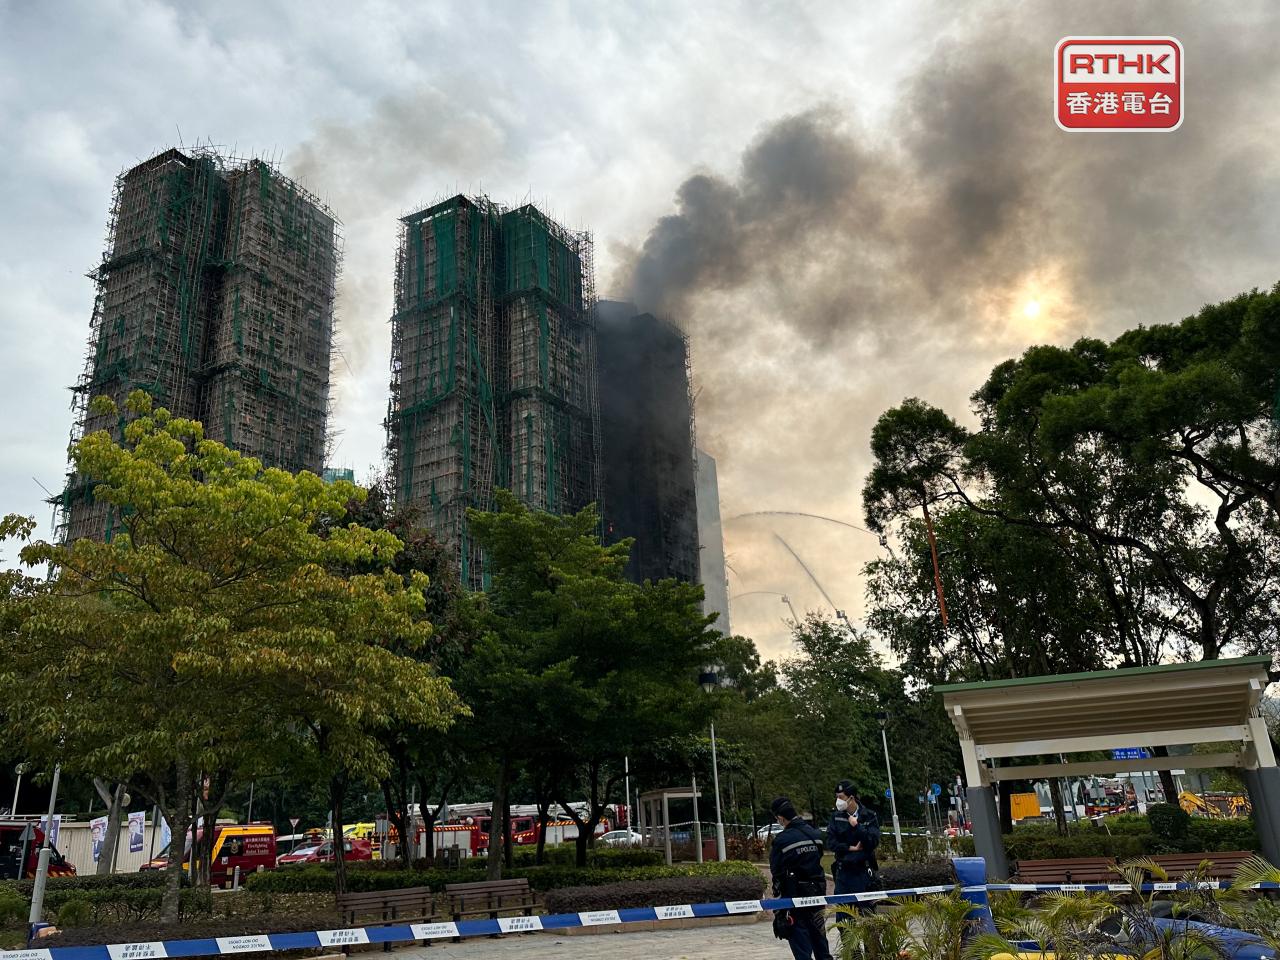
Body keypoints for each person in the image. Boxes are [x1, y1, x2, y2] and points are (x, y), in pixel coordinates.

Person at [769, 796, 833, 960]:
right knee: (820, 941)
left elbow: (776, 871)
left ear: (781, 818)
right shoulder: (815, 834)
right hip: (817, 893)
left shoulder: (782, 841)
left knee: (801, 949)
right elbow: (818, 857)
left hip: (794, 898)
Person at [826, 780, 880, 899]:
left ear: (851, 798)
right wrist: (850, 848)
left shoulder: (869, 816)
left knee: (865, 913)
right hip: (843, 873)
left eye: (841, 797)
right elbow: (831, 842)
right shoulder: (836, 817)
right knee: (843, 914)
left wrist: (857, 826)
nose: (838, 801)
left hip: (863, 872)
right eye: (837, 797)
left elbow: (872, 842)